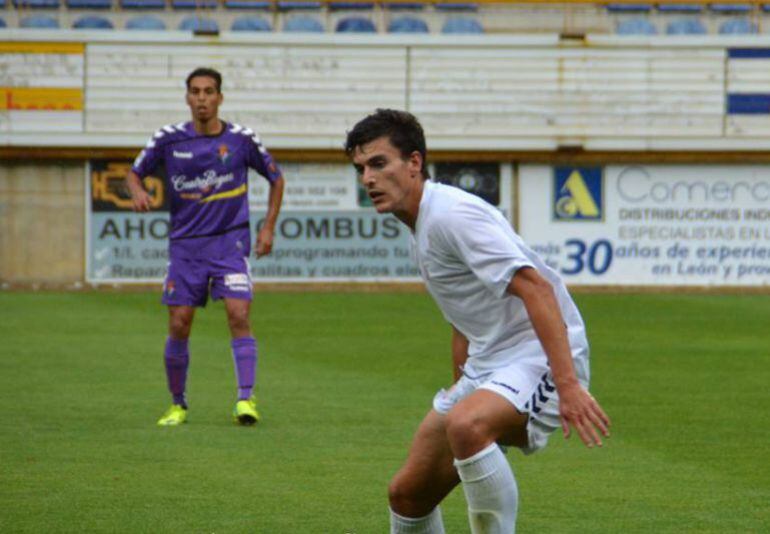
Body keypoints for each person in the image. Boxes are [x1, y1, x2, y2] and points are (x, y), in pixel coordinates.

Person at [345, 109, 610, 533]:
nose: (368, 179)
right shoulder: (422, 224)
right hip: (490, 364)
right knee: (408, 495)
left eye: (379, 163)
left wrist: (568, 385)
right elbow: (463, 315)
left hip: (538, 354)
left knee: (467, 424)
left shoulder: (451, 215)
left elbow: (536, 288)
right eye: (361, 169)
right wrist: (464, 384)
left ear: (414, 162)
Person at [126, 67, 284, 427]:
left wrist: (268, 227)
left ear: (220, 98)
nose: (202, 98)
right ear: (187, 97)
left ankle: (246, 399)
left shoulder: (242, 140)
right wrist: (136, 190)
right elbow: (134, 173)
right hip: (186, 249)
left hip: (230, 244)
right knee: (180, 324)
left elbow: (276, 178)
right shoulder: (168, 140)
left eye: (209, 91)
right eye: (195, 92)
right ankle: (177, 404)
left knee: (238, 315)